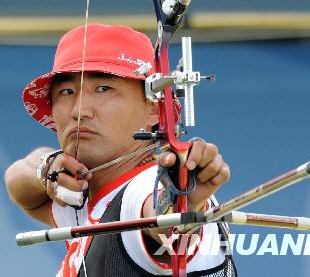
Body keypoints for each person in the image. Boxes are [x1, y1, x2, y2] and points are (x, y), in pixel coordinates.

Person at [4, 23, 237, 276]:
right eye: (66, 91)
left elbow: (161, 221)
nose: (79, 111)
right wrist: (47, 167)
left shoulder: (142, 189)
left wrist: (182, 201)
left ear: (153, 108)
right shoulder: (84, 197)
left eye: (104, 88)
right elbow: (17, 182)